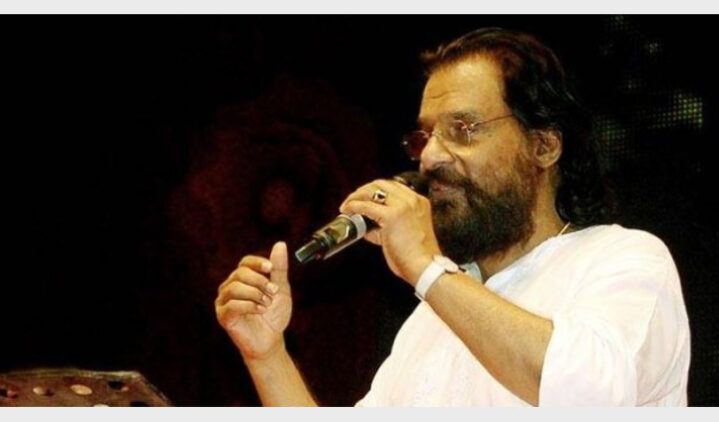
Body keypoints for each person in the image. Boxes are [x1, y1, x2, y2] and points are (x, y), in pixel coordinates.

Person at [214, 27, 691, 406]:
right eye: (425, 137)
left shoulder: (623, 259)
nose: (430, 157)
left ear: (544, 146)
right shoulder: (433, 317)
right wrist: (267, 355)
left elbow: (586, 395)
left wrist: (425, 266)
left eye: (463, 129)